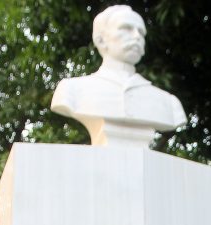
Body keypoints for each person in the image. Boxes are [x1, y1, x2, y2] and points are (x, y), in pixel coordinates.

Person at [51, 5, 186, 147]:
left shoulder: (168, 103)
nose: (137, 36)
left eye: (141, 32)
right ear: (101, 39)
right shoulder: (71, 90)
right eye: (126, 28)